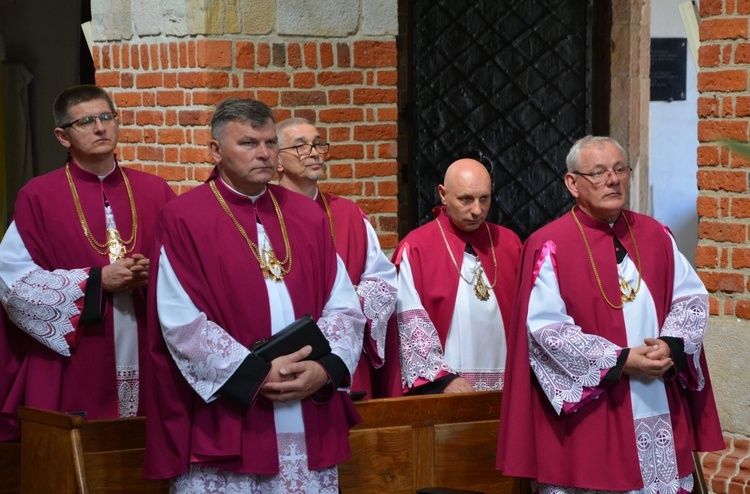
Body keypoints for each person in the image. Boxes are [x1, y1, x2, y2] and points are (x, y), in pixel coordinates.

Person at [143, 98, 366, 493]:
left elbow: (343, 305)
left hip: (306, 403)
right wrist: (257, 375)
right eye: (248, 143)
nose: (263, 153)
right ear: (215, 150)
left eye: (269, 143)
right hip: (232, 411)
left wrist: (323, 369)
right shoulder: (184, 218)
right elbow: (181, 324)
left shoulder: (307, 215)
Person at [497, 136, 724, 493]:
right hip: (592, 415)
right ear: (573, 183)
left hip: (657, 403)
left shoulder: (655, 235)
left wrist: (670, 345)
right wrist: (620, 360)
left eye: (620, 170)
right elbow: (545, 331)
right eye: (599, 172)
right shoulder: (550, 245)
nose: (613, 180)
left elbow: (690, 299)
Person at [0, 84, 175, 440]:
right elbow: (13, 283)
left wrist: (151, 274)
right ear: (63, 136)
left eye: (106, 117)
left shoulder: (155, 190)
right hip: (80, 352)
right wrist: (96, 281)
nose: (100, 128)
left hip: (147, 336)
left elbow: (186, 267)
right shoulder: (38, 195)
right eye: (86, 122)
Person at [276, 117, 397, 399]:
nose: (315, 152)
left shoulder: (349, 215)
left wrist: (356, 299)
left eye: (318, 144)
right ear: (277, 161)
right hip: (288, 352)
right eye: (301, 146)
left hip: (344, 351)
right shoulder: (264, 216)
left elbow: (383, 278)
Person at [392, 158, 521, 395]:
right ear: (443, 194)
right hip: (446, 390)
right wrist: (442, 380)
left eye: (484, 198)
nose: (477, 210)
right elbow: (408, 321)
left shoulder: (509, 243)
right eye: (466, 199)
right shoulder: (416, 247)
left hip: (507, 388)